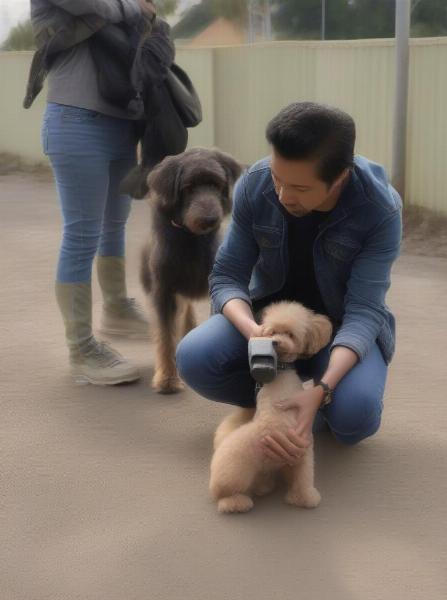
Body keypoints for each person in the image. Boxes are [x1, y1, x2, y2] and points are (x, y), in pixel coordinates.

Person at [176, 102, 402, 464]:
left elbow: (364, 311)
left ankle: (313, 405)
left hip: (340, 329)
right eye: (278, 179)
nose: (282, 195)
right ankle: (275, 406)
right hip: (269, 318)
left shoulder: (379, 209)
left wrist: (322, 390)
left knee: (353, 420)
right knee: (195, 358)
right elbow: (227, 275)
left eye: (299, 187)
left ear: (340, 177)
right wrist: (253, 331)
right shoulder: (256, 183)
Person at [33, 0, 157, 385]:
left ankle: (117, 308)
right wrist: (134, 6)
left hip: (120, 121)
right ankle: (81, 348)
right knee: (82, 234)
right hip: (75, 119)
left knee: (114, 225)